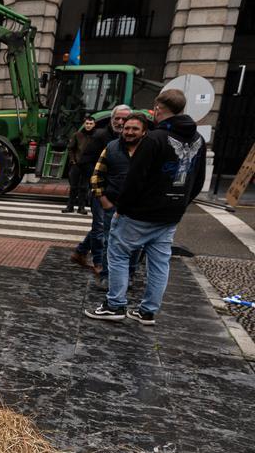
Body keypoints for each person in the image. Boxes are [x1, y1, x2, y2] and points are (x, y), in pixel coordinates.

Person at [85, 89, 206, 326]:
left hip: (140, 212)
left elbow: (135, 178)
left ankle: (115, 304)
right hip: (171, 213)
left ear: (159, 108)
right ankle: (148, 310)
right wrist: (181, 203)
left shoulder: (154, 139)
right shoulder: (198, 140)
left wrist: (122, 207)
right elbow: (198, 179)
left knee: (118, 254)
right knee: (160, 262)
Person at [89, 112, 148, 286]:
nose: (129, 132)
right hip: (113, 205)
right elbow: (97, 175)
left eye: (134, 129)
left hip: (139, 208)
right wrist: (104, 201)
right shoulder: (112, 147)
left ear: (144, 131)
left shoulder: (151, 149)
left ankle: (129, 275)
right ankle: (107, 276)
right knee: (110, 241)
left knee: (136, 245)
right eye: (126, 128)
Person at [70, 104, 131, 273]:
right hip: (101, 190)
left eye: (124, 119)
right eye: (116, 118)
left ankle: (80, 251)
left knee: (105, 226)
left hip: (118, 191)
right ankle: (99, 263)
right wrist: (98, 180)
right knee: (100, 227)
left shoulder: (130, 139)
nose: (120, 122)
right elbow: (85, 161)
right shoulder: (100, 136)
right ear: (111, 120)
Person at [63, 115, 96, 213]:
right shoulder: (77, 135)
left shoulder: (96, 136)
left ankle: (81, 207)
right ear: (84, 124)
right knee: (73, 186)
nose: (88, 125)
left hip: (88, 164)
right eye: (87, 123)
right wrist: (72, 161)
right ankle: (70, 206)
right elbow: (70, 148)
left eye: (90, 124)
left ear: (94, 125)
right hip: (76, 164)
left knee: (84, 187)